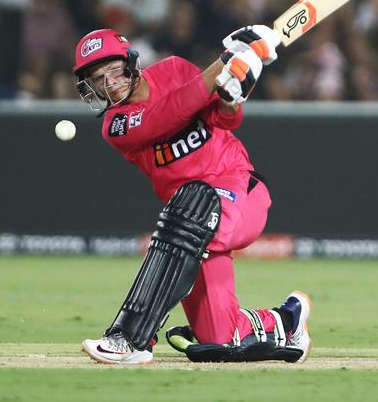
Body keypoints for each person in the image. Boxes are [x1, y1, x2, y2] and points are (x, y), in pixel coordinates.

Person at [73, 25, 311, 365]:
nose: (109, 82)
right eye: (98, 79)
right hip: (191, 229)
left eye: (113, 70)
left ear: (130, 63)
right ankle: (287, 321)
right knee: (220, 337)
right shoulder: (116, 125)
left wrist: (232, 97)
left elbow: (224, 119)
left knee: (192, 206)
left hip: (237, 189)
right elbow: (167, 113)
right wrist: (226, 61)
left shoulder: (173, 69)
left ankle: (132, 338)